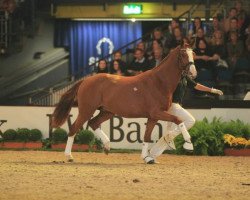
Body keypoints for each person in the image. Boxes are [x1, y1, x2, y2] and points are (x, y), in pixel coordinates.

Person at [149, 74, 223, 161]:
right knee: (190, 120)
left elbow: (196, 86)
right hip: (172, 105)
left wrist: (212, 90)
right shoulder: (172, 75)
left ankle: (152, 155)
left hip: (176, 105)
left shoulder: (185, 76)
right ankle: (170, 135)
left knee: (168, 135)